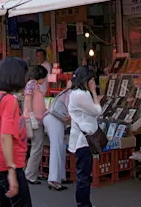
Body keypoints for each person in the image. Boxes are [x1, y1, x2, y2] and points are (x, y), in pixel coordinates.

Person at [0, 57, 32, 207]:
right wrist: (11, 170)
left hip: (1, 159)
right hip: (9, 163)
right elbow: (5, 136)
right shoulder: (9, 100)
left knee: (4, 204)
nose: (26, 81)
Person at [68, 66, 103, 207]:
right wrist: (94, 92)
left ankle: (84, 203)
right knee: (83, 176)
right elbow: (97, 111)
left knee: (83, 175)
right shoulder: (81, 95)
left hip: (81, 139)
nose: (93, 83)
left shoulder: (76, 93)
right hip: (83, 141)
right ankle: (83, 204)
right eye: (92, 80)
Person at [42, 80, 73, 191]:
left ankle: (60, 176)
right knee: (56, 148)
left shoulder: (65, 92)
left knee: (60, 147)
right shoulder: (71, 93)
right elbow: (71, 112)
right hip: (55, 120)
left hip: (51, 118)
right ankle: (54, 180)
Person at [23, 65, 49, 185]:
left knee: (37, 147)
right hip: (34, 120)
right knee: (36, 147)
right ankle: (30, 174)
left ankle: (34, 172)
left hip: (38, 119)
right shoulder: (31, 84)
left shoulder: (35, 86)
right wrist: (32, 116)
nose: (45, 80)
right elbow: (28, 100)